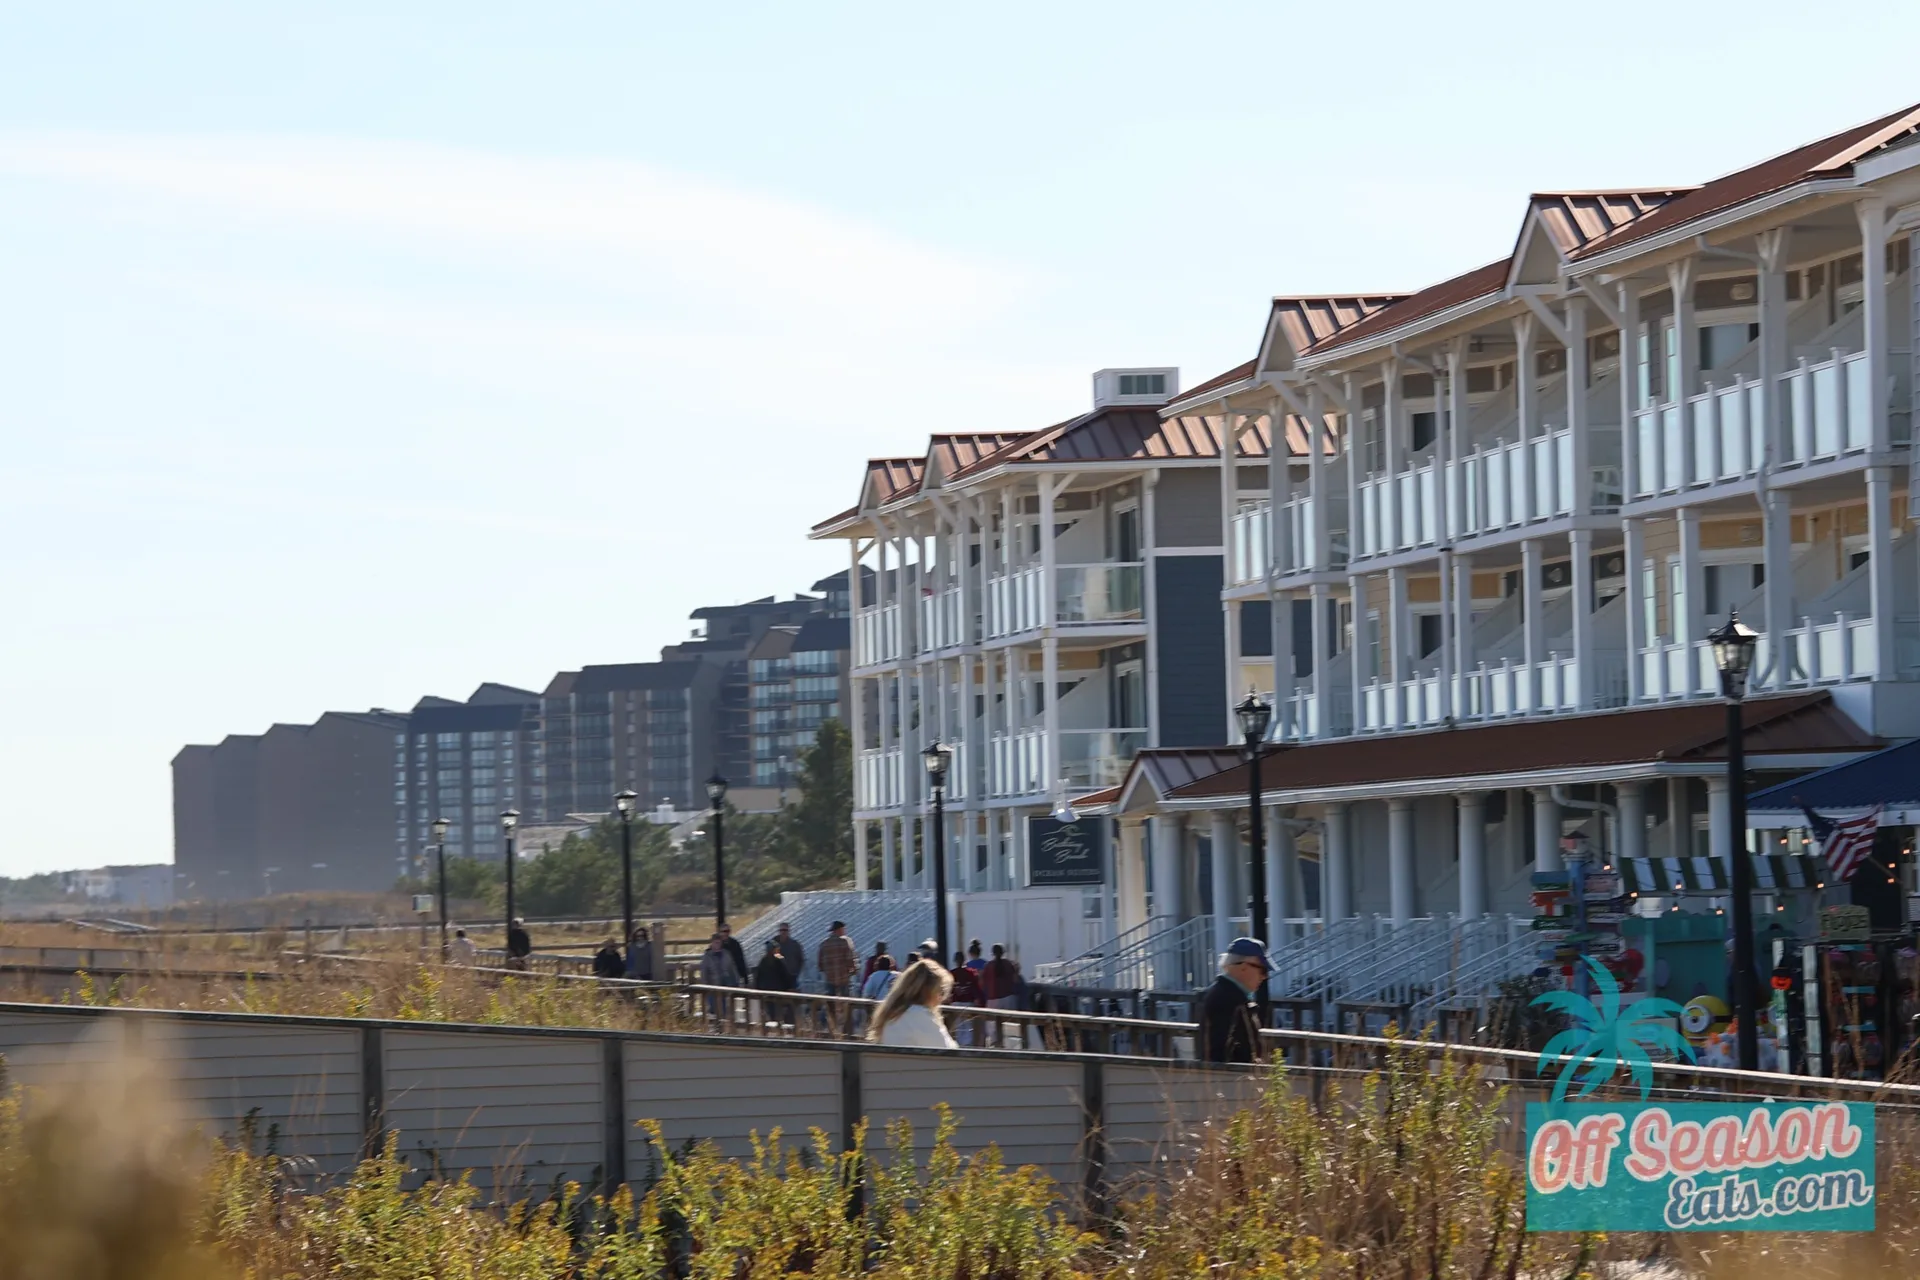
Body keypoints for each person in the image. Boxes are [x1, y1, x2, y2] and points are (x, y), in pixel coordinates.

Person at [1199, 938, 1273, 1065]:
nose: (1265, 976)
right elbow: (1219, 1052)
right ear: (1244, 967)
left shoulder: (1226, 993)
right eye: (1263, 970)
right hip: (1230, 1080)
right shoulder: (1226, 998)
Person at [868, 958, 958, 1049]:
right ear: (928, 991)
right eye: (941, 991)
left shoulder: (892, 1013)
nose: (941, 998)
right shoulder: (920, 1016)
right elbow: (948, 1051)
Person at [753, 937, 797, 1025]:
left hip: (768, 993)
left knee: (772, 1015)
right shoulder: (778, 960)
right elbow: (786, 976)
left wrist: (758, 989)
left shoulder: (764, 961)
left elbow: (758, 977)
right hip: (777, 993)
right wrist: (790, 987)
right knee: (779, 1014)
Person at [948, 950, 985, 1046]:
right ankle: (967, 1045)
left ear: (955, 961)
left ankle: (959, 1045)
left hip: (955, 1004)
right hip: (968, 1003)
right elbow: (976, 988)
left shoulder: (951, 974)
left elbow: (949, 990)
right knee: (968, 1026)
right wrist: (979, 1000)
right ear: (964, 960)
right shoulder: (971, 973)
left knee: (958, 1026)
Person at [818, 921, 857, 997]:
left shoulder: (824, 944)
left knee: (831, 1000)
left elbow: (820, 964)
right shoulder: (844, 942)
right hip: (843, 978)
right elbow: (850, 960)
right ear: (840, 929)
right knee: (845, 1001)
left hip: (830, 978)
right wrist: (854, 970)